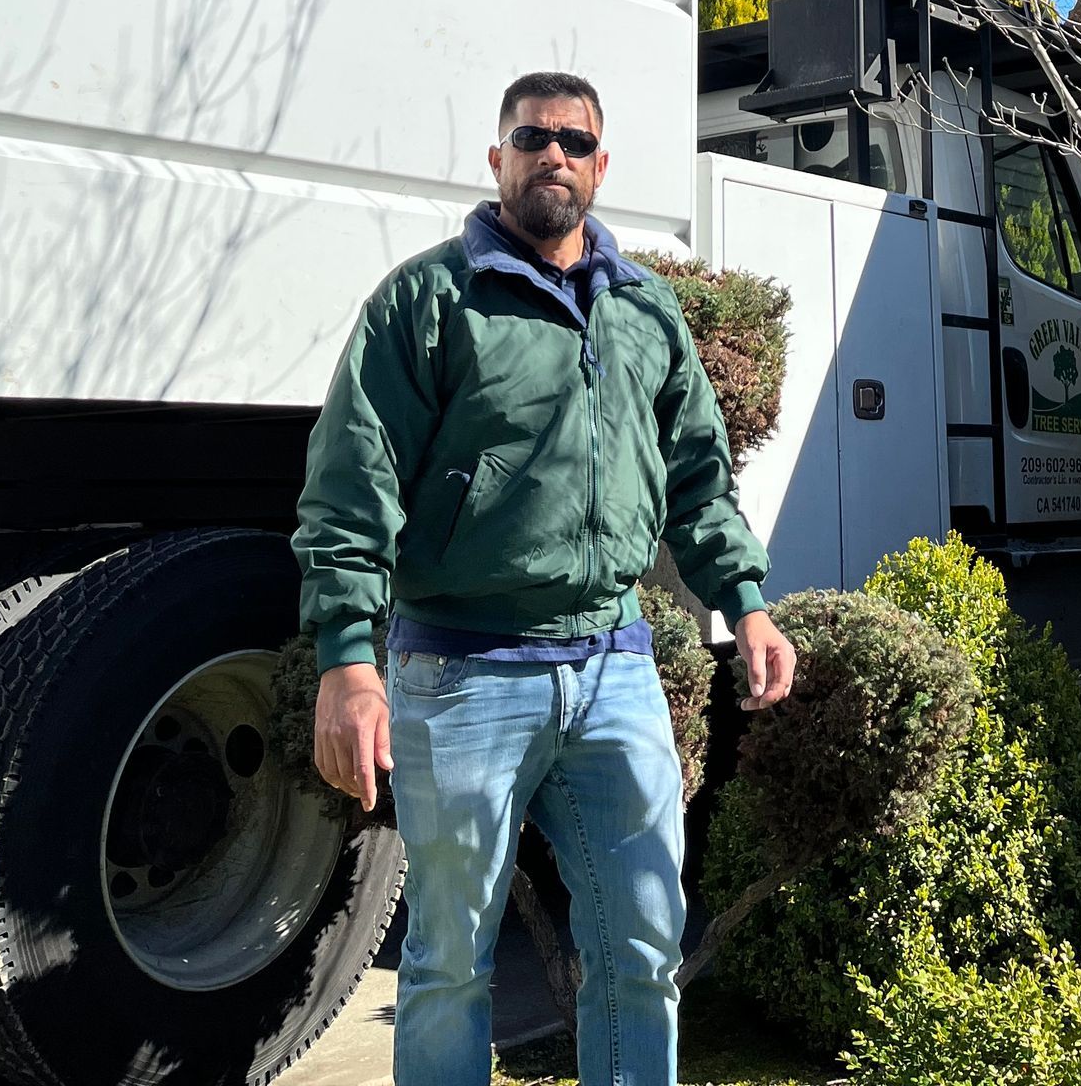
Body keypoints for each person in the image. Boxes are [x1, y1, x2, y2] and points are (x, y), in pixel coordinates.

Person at [294, 68, 795, 1086]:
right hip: (463, 672)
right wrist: (348, 660)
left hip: (614, 668)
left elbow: (698, 483)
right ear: (498, 159)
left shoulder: (647, 316)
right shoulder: (428, 303)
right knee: (445, 966)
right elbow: (351, 487)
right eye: (532, 137)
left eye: (574, 140)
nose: (553, 154)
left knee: (644, 945)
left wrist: (744, 602)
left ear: (602, 166)